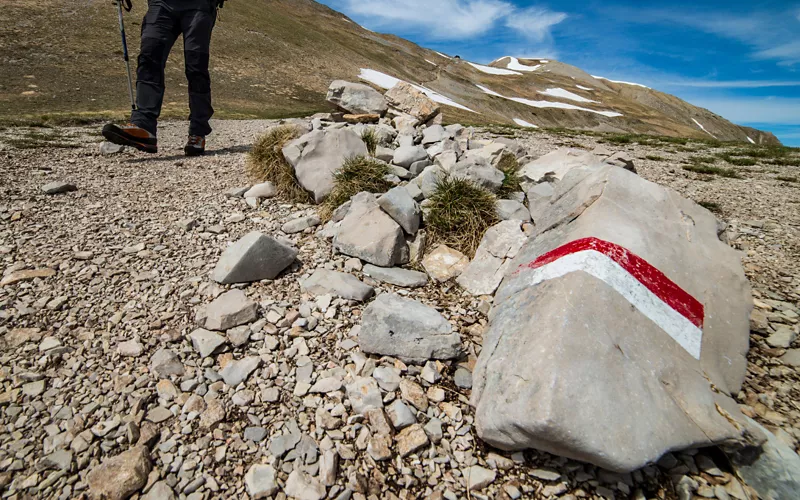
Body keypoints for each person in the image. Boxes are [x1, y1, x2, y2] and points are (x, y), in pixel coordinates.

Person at [102, 0, 225, 156]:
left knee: (196, 67)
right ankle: (144, 126)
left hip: (200, 4)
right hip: (161, 3)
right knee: (149, 56)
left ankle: (198, 131)